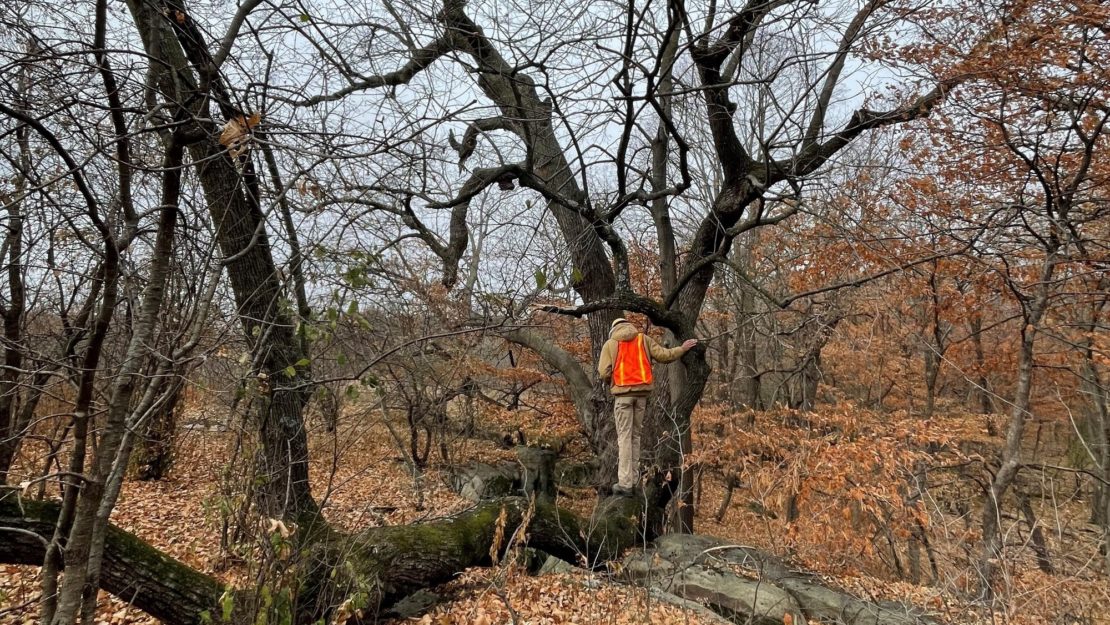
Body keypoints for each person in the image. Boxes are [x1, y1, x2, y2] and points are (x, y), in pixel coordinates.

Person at [597, 317, 697, 496]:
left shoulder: (610, 344)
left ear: (614, 328)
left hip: (622, 397)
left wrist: (611, 381)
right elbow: (664, 356)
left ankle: (625, 483)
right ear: (629, 325)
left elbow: (604, 372)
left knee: (624, 439)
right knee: (635, 437)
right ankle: (634, 481)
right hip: (641, 395)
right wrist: (682, 348)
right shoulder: (643, 340)